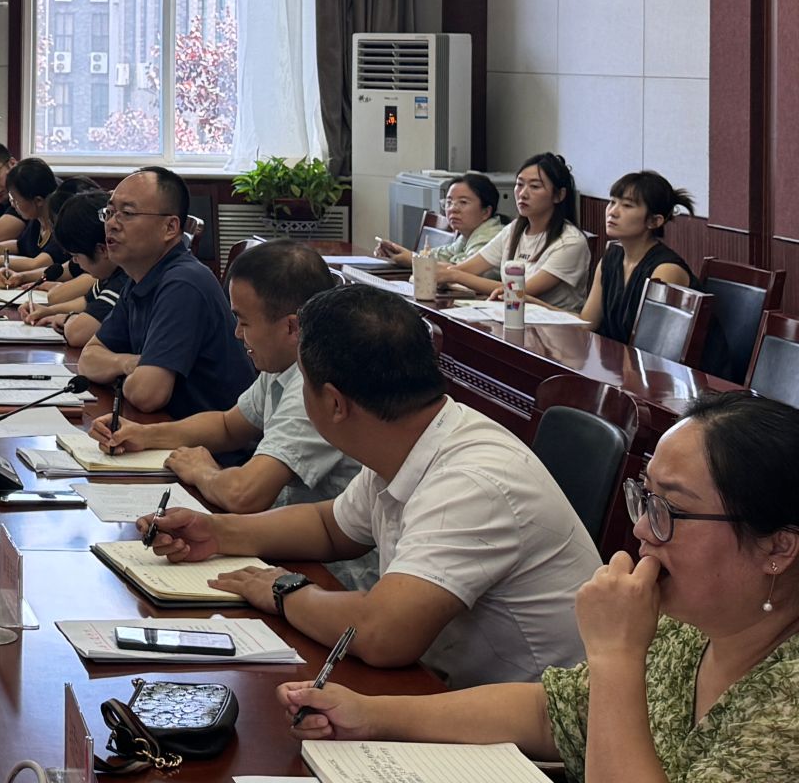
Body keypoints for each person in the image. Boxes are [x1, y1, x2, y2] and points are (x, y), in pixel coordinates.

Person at [279, 391, 799, 783]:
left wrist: (615, 655)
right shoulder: (690, 625)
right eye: (644, 498)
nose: (642, 528)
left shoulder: (787, 707)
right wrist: (370, 715)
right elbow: (552, 714)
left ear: (777, 547)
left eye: (671, 510)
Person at [143, 283, 598, 687]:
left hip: (539, 733)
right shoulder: (411, 434)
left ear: (335, 403)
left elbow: (384, 634)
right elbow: (331, 527)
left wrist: (284, 591)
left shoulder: (470, 482)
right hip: (452, 690)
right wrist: (217, 532)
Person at [91, 241, 375, 588]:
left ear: (292, 327)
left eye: (243, 321)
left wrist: (204, 472)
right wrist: (145, 435)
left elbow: (245, 494)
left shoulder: (315, 387)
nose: (237, 333)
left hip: (334, 575)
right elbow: (229, 425)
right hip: (286, 543)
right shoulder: (283, 363)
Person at [76, 167, 255, 416]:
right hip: (166, 428)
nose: (112, 224)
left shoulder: (184, 283)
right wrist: (130, 363)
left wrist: (120, 371)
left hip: (210, 438)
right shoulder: (140, 276)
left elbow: (147, 394)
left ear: (170, 227)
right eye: (109, 212)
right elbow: (88, 358)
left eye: (127, 213)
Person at [433, 152, 591, 310]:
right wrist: (440, 273)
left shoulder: (570, 242)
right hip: (509, 315)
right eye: (519, 184)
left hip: (553, 323)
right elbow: (466, 268)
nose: (523, 194)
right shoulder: (514, 229)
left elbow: (518, 292)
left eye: (535, 186)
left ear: (559, 195)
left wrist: (455, 276)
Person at [583, 171, 698, 345]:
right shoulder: (610, 258)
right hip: (620, 356)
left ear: (654, 221)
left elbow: (650, 345)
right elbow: (587, 323)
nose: (612, 212)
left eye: (627, 205)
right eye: (612, 202)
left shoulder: (666, 270)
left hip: (655, 360)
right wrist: (540, 307)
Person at [30, 190, 126, 346]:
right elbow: (87, 302)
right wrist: (49, 311)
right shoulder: (110, 274)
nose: (75, 261)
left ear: (102, 250)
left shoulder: (125, 279)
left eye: (76, 256)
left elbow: (77, 334)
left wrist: (67, 319)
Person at [373, 172, 506, 271]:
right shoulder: (467, 234)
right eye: (449, 202)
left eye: (463, 202)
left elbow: (461, 271)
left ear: (486, 212)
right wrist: (400, 252)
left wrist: (413, 260)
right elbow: (442, 255)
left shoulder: (490, 236)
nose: (453, 209)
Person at [0, 158, 64, 285]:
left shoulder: (61, 226)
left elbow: (36, 264)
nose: (12, 205)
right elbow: (20, 245)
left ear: (38, 201)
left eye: (15, 200)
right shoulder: (37, 219)